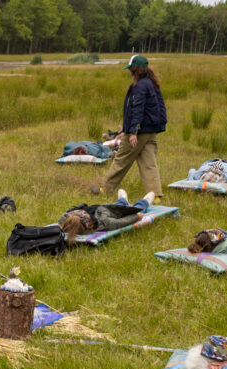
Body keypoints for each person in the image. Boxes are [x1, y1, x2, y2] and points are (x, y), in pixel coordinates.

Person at [101, 55, 166, 201]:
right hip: (150, 131)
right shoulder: (151, 83)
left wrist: (133, 132)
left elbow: (138, 108)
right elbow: (159, 107)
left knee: (121, 160)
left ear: (135, 70)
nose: (129, 72)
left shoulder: (141, 86)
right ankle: (155, 195)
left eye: (130, 69)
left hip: (140, 131)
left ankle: (105, 189)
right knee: (149, 164)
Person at [58, 189, 154, 241]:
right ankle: (136, 201)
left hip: (108, 210)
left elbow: (122, 221)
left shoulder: (105, 222)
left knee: (125, 206)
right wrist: (137, 216)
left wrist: (137, 216)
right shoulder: (65, 218)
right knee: (127, 207)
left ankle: (131, 200)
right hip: (105, 211)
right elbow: (122, 222)